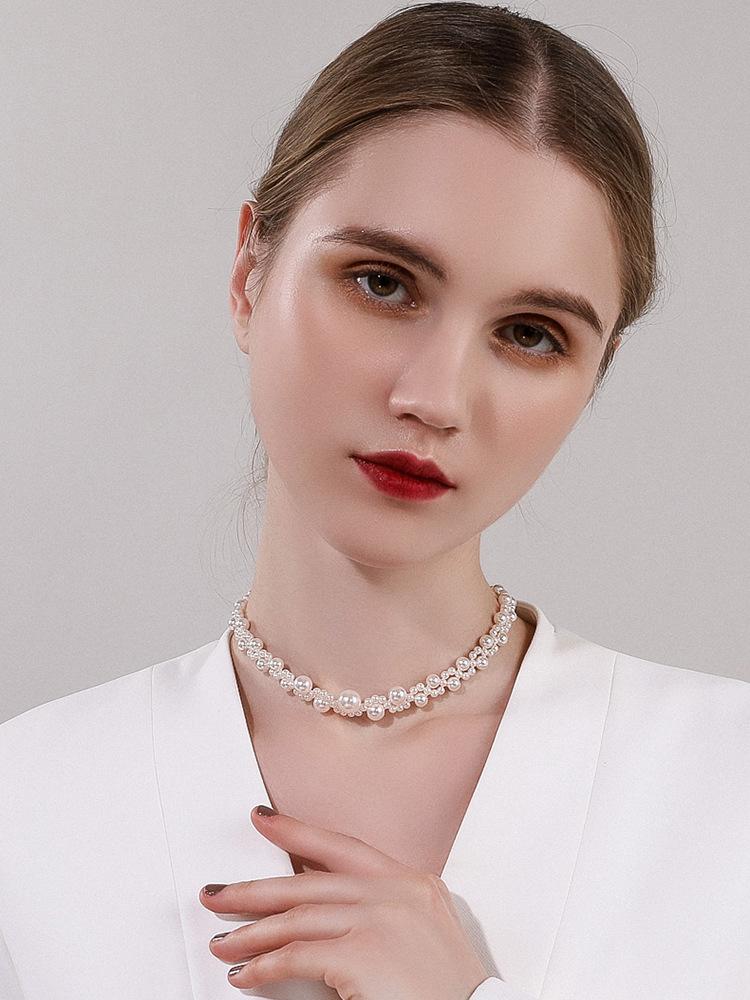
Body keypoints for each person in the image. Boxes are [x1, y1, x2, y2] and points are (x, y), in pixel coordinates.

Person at [1, 3, 748, 999]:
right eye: (383, 283)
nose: (434, 398)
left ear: (595, 374)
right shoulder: (29, 804)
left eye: (530, 334)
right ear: (248, 273)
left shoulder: (725, 786)